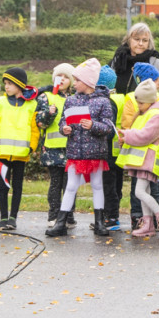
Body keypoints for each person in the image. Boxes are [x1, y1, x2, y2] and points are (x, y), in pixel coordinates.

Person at [45, 59, 116, 238]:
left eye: (77, 80)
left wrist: (93, 125)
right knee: (71, 186)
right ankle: (61, 222)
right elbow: (63, 121)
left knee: (97, 185)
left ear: (88, 82)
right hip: (75, 151)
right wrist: (64, 129)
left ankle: (100, 222)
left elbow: (108, 127)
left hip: (95, 153)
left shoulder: (103, 102)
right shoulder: (71, 101)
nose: (74, 83)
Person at [115, 79, 159, 238]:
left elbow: (145, 136)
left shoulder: (157, 115)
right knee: (144, 191)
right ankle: (148, 224)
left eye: (140, 103)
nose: (138, 106)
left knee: (140, 192)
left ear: (149, 101)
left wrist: (126, 135)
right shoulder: (148, 112)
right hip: (142, 160)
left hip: (148, 160)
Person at [0, 67, 39, 231]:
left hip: (21, 154)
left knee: (18, 187)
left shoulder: (32, 105)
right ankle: (3, 218)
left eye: (9, 83)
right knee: (3, 187)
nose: (6, 87)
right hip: (2, 154)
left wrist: (32, 147)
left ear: (19, 85)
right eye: (5, 84)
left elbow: (35, 129)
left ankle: (13, 218)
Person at [121, 61, 159, 229]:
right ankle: (139, 218)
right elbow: (128, 123)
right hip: (138, 153)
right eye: (156, 79)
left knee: (151, 189)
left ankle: (157, 219)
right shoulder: (133, 98)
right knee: (138, 189)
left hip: (152, 152)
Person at [37, 63, 78, 230]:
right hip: (53, 148)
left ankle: (68, 215)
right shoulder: (46, 97)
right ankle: (53, 214)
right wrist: (49, 113)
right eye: (59, 75)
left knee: (70, 184)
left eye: (66, 76)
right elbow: (40, 122)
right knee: (56, 183)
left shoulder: (75, 98)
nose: (62, 79)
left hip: (72, 148)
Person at [110, 22, 159, 98]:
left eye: (145, 40)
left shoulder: (157, 65)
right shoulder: (118, 61)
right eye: (137, 39)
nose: (140, 43)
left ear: (149, 42)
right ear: (129, 40)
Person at [98, 66, 124, 231]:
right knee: (116, 185)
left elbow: (108, 126)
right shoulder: (120, 98)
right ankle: (112, 216)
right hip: (119, 150)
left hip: (108, 149)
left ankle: (112, 218)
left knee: (109, 186)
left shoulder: (108, 101)